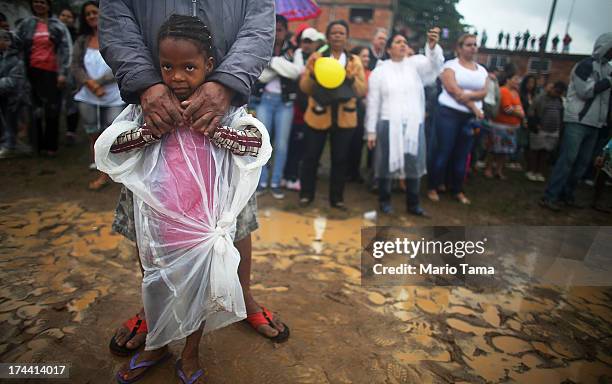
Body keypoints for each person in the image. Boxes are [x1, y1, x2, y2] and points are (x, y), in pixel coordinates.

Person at [98, 0, 288, 362]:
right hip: (152, 106)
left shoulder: (233, 126)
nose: (179, 76)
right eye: (171, 66)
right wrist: (147, 83)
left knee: (231, 222)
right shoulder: (145, 117)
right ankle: (157, 313)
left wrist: (226, 83)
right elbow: (116, 16)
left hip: (224, 107)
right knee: (152, 226)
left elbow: (259, 24)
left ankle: (239, 296)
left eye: (187, 67)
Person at [366, 29, 443, 216]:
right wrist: (371, 131)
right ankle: (385, 201)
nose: (403, 45)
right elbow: (373, 101)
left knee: (413, 164)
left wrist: (432, 47)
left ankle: (413, 204)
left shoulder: (414, 65)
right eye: (398, 42)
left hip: (412, 125)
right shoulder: (380, 71)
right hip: (387, 122)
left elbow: (434, 65)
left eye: (405, 42)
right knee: (385, 164)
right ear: (389, 48)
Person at [298, 19, 367, 209]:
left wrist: (351, 78)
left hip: (345, 117)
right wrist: (312, 75)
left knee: (340, 159)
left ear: (347, 37)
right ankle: (306, 195)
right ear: (328, 37)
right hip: (317, 115)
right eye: (334, 32)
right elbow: (304, 87)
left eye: (341, 33)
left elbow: (362, 91)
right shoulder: (316, 58)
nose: (337, 35)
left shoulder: (355, 61)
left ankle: (337, 199)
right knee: (311, 157)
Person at [541, 33, 612, 211]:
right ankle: (550, 196)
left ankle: (567, 195)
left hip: (595, 123)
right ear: (604, 46)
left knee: (582, 163)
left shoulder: (608, 69)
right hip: (578, 120)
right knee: (568, 159)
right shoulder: (584, 65)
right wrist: (609, 81)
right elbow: (585, 91)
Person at [428, 34, 488, 205]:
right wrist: (475, 106)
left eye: (475, 44)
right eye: (469, 44)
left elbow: (484, 92)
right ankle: (433, 185)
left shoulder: (482, 70)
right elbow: (453, 90)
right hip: (449, 114)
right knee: (443, 151)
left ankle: (457, 188)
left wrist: (468, 95)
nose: (473, 48)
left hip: (469, 119)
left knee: (462, 154)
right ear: (460, 48)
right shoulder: (450, 66)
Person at [72, 1, 124, 190]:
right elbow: (75, 65)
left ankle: (110, 170)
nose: (92, 16)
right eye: (88, 14)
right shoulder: (82, 41)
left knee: (111, 132)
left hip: (112, 94)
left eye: (95, 12)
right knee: (93, 131)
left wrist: (99, 83)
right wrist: (90, 84)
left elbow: (120, 62)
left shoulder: (117, 37)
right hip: (87, 94)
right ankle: (100, 165)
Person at [15, 0, 72, 156]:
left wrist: (63, 73)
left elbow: (66, 49)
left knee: (52, 110)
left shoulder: (58, 25)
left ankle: (51, 146)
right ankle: (37, 145)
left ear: (48, 5)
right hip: (31, 72)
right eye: (36, 2)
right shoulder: (25, 24)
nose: (39, 5)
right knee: (34, 110)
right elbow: (16, 45)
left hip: (52, 73)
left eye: (42, 2)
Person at [254, 14, 300, 199]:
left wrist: (272, 63)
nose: (276, 32)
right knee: (263, 142)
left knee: (281, 144)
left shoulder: (294, 50)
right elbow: (260, 76)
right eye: (274, 28)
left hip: (285, 103)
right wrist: (282, 68)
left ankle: (276, 182)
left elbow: (296, 73)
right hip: (265, 100)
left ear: (286, 31)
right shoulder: (262, 48)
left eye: (280, 29)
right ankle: (261, 181)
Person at [283, 27, 324, 191]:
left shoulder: (318, 59)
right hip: (296, 109)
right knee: (293, 144)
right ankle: (289, 176)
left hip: (309, 108)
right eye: (304, 41)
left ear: (316, 43)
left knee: (303, 146)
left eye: (310, 42)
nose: (306, 45)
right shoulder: (297, 56)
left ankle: (293, 176)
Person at [484, 67, 524, 180]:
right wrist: (519, 114)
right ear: (508, 79)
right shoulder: (503, 91)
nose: (518, 81)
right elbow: (507, 109)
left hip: (512, 127)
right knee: (493, 149)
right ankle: (488, 168)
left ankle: (499, 170)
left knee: (505, 152)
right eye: (515, 79)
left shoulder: (515, 93)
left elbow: (518, 107)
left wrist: (518, 112)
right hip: (499, 126)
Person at [526, 81, 567, 182]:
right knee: (535, 150)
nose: (557, 94)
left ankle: (539, 172)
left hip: (553, 131)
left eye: (560, 93)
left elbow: (561, 114)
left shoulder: (560, 100)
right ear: (552, 88)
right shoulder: (540, 98)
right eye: (556, 91)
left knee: (545, 152)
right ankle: (531, 171)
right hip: (540, 129)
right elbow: (531, 111)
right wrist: (535, 124)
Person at [346, 45, 371, 183]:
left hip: (363, 112)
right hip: (350, 108)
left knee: (358, 143)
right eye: (364, 56)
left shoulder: (370, 73)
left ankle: (354, 171)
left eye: (368, 56)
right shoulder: (349, 70)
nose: (367, 59)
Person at [0, 30, 25, 159]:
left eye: (3, 39)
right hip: (3, 97)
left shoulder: (15, 60)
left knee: (10, 122)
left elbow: (14, 81)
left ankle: (10, 145)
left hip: (13, 98)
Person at [57, 6, 79, 146]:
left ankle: (71, 131)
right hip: (53, 73)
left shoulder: (77, 36)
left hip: (72, 76)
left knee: (72, 104)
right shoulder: (52, 33)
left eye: (68, 16)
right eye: (63, 15)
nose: (65, 18)